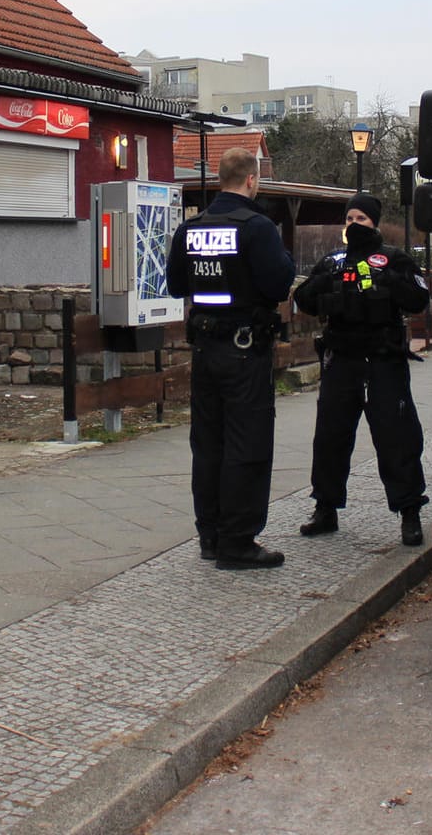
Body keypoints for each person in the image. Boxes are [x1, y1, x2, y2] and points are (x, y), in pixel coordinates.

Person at [166, 147, 296, 569]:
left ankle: (210, 535)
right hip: (244, 352)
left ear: (220, 179)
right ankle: (237, 542)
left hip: (205, 350)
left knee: (208, 444)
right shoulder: (256, 227)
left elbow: (174, 285)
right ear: (251, 181)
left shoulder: (191, 229)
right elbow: (278, 284)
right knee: (247, 443)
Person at [291, 192, 431, 547]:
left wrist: (386, 283)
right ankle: (325, 507)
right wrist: (327, 283)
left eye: (362, 220)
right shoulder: (333, 260)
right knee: (330, 437)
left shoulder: (394, 259)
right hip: (342, 360)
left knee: (396, 437)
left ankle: (409, 510)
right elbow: (304, 299)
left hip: (383, 361)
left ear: (375, 223)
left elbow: (419, 299)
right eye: (350, 219)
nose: (354, 225)